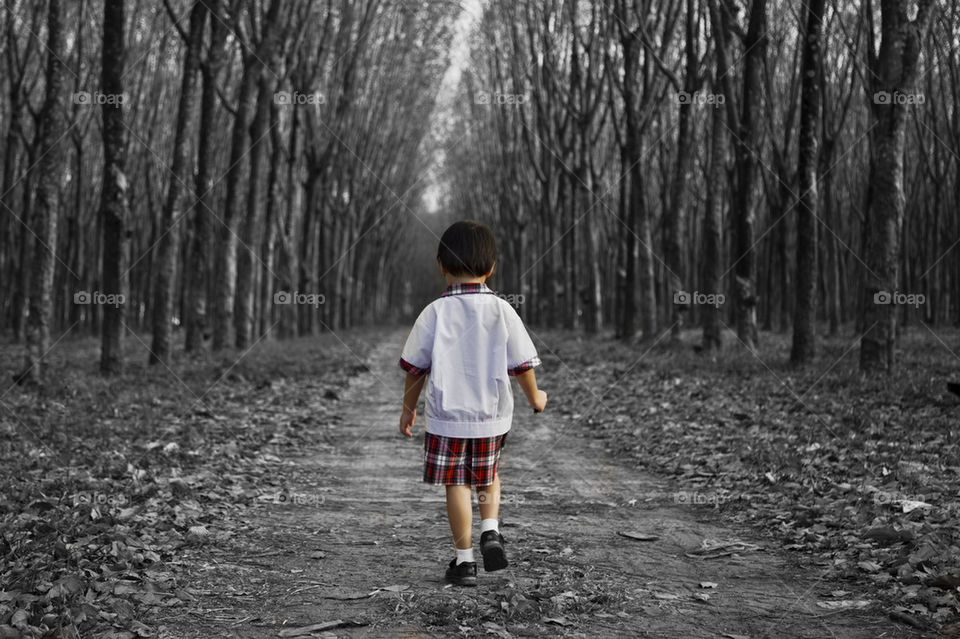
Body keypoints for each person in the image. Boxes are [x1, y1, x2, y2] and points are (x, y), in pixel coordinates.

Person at [397, 220, 547, 587]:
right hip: (491, 416)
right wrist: (535, 397)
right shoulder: (502, 310)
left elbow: (415, 369)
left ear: (441, 264)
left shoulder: (434, 313)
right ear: (491, 267)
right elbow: (522, 364)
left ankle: (464, 562)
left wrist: (408, 409)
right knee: (488, 475)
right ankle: (491, 530)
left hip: (447, 418)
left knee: (456, 484)